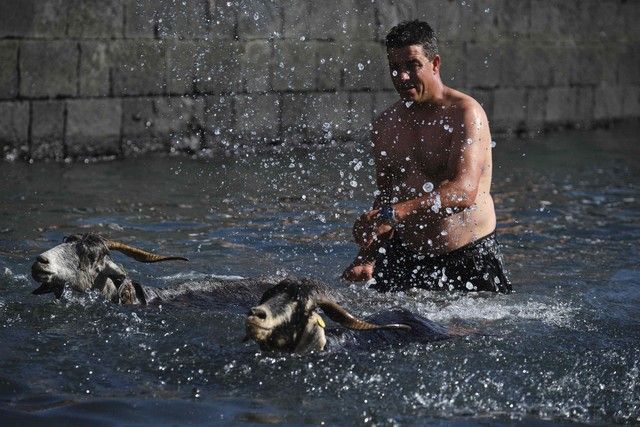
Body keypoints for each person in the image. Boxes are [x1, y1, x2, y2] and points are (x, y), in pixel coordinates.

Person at [342, 20, 511, 293]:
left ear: (435, 64)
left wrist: (395, 212)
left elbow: (463, 193)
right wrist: (367, 256)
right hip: (405, 258)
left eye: (412, 65)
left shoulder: (466, 114)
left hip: (467, 258)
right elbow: (388, 197)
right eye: (395, 68)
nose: (403, 77)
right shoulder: (386, 125)